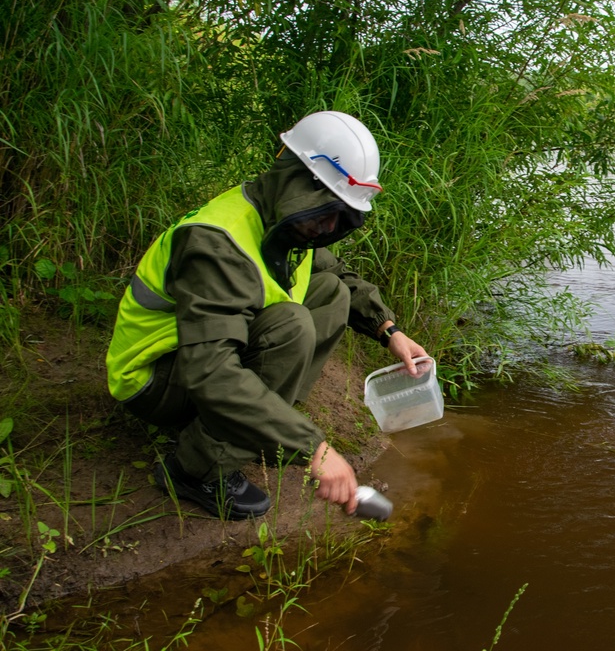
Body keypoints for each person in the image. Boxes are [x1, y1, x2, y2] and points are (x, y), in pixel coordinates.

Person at [105, 111, 428, 520]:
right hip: (154, 380)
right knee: (289, 327)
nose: (327, 225)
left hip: (194, 364)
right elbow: (211, 370)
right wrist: (313, 447)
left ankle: (260, 417)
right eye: (324, 207)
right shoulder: (217, 244)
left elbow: (338, 278)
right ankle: (195, 470)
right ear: (294, 178)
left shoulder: (281, 220)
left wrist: (390, 331)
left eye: (341, 215)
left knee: (327, 293)